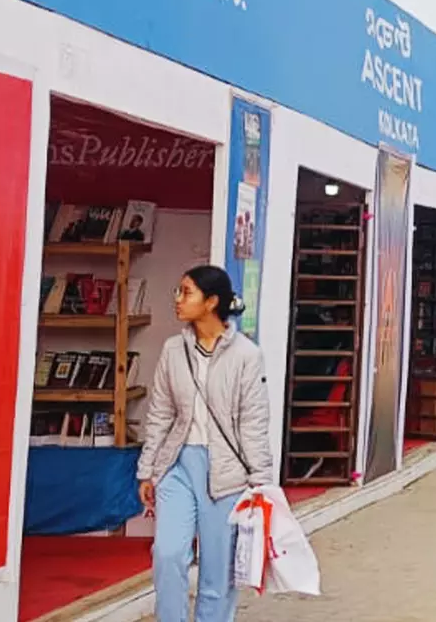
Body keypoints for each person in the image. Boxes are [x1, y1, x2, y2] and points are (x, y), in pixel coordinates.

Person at [137, 265, 273, 622]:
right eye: (179, 291)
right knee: (167, 554)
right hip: (178, 466)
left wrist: (261, 483)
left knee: (218, 571)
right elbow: (160, 413)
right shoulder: (172, 350)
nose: (177, 300)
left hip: (226, 474)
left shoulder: (246, 355)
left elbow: (254, 423)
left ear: (211, 302)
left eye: (186, 292)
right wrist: (148, 470)